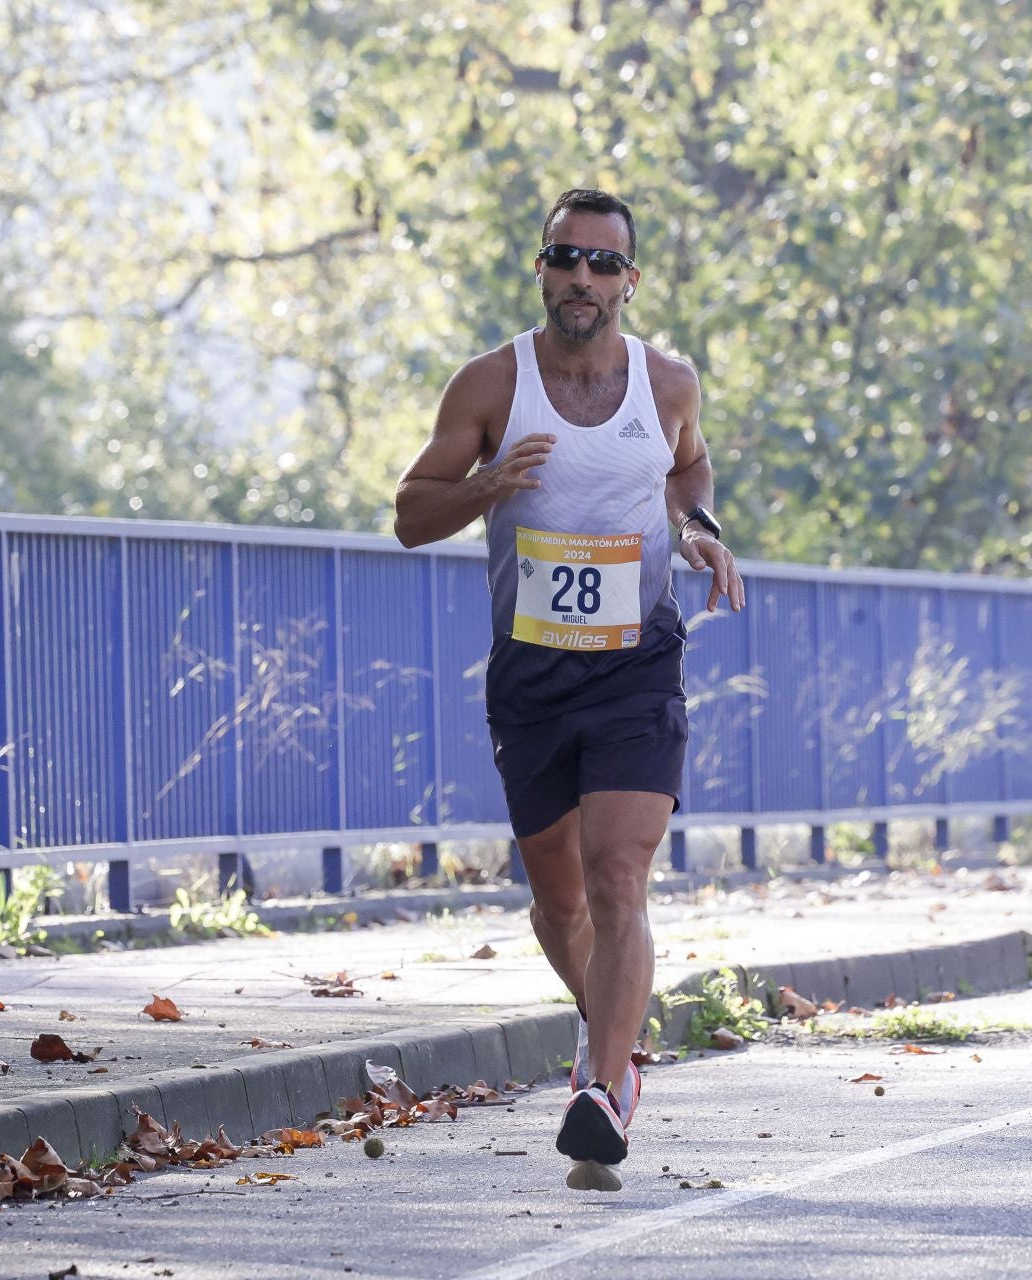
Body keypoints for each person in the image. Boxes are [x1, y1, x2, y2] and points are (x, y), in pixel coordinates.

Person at [394, 188, 744, 1186]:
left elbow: (689, 469)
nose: (582, 277)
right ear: (542, 270)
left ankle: (604, 1086)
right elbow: (411, 514)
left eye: (603, 262)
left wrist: (699, 529)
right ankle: (613, 1033)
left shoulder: (667, 382)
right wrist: (486, 486)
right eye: (565, 258)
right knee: (558, 904)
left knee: (618, 873)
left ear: (631, 281)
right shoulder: (490, 384)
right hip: (533, 671)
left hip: (637, 661)